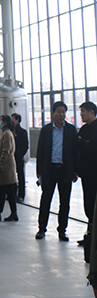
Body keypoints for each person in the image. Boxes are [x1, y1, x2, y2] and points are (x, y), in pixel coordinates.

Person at [35, 101, 79, 241]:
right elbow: (40, 151)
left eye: (63, 112)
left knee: (64, 202)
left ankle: (62, 231)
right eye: (59, 111)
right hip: (49, 170)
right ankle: (41, 229)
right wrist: (39, 171)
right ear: (53, 113)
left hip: (65, 170)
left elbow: (75, 152)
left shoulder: (71, 130)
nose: (61, 114)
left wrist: (75, 171)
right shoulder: (46, 130)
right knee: (45, 200)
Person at [77, 101, 97, 245]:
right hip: (85, 173)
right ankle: (90, 235)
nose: (81, 114)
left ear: (91, 112)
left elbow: (92, 148)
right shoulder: (84, 129)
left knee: (94, 204)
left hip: (94, 172)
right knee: (88, 204)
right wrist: (84, 142)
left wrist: (83, 143)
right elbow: (77, 145)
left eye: (83, 111)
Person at [11, 113, 29, 202]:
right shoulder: (9, 131)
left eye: (13, 119)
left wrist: (19, 155)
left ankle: (21, 195)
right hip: (11, 158)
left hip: (18, 157)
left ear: (17, 120)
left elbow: (25, 146)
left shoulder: (22, 132)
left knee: (21, 177)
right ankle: (12, 194)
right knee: (11, 177)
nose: (11, 121)